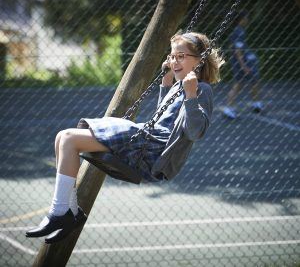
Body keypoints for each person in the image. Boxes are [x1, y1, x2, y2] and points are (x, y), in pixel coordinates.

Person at [25, 32, 223, 243]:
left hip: (152, 153)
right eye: (173, 56)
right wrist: (165, 85)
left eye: (181, 56)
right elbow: (166, 120)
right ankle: (68, 211)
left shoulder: (202, 90)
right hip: (147, 140)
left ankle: (61, 212)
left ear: (200, 60)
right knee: (62, 138)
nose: (174, 61)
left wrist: (191, 96)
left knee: (68, 139)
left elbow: (194, 132)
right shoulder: (180, 85)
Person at [222, 11, 263, 119]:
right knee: (238, 85)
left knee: (253, 82)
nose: (247, 20)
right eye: (245, 18)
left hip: (244, 62)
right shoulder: (238, 32)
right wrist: (244, 66)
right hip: (242, 63)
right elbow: (238, 50)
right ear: (240, 20)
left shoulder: (240, 31)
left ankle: (256, 104)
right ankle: (228, 109)